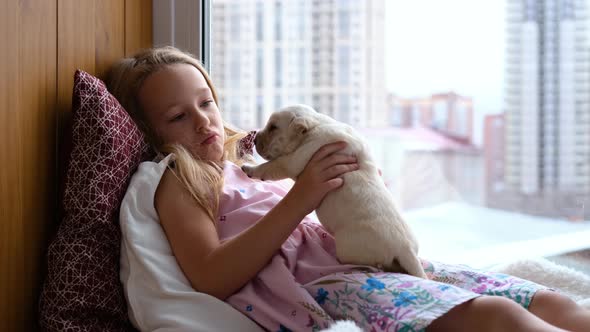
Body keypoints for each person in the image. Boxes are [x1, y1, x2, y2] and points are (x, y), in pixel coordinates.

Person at [107, 46, 590, 332]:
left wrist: (356, 189)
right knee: (496, 318)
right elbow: (211, 276)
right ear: (149, 132)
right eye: (177, 117)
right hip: (327, 286)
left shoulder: (243, 163)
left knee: (550, 303)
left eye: (206, 103)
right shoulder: (176, 179)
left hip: (361, 258)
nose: (203, 121)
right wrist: (301, 198)